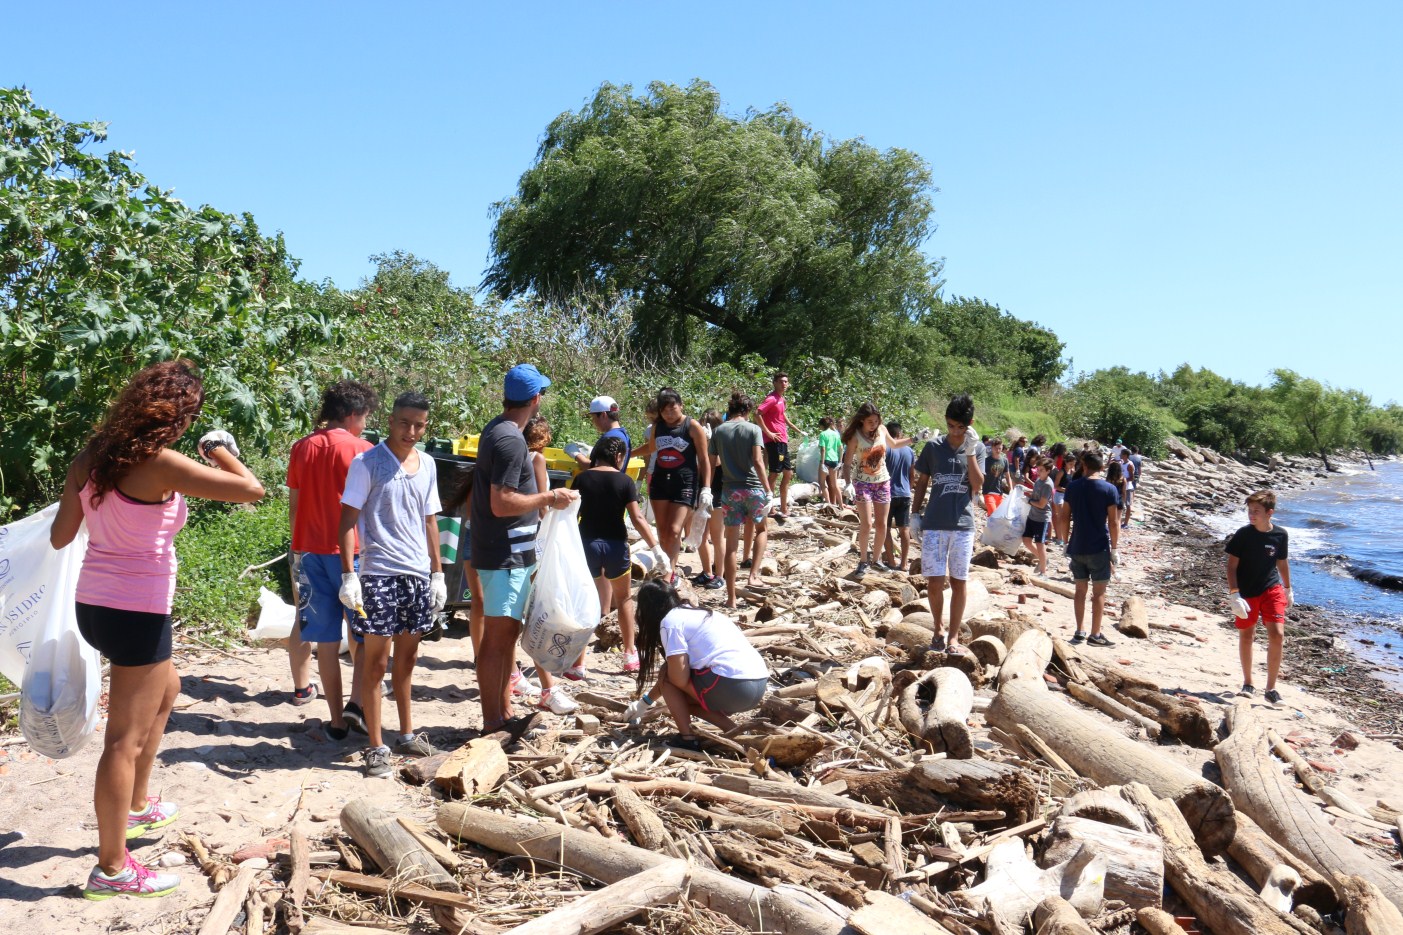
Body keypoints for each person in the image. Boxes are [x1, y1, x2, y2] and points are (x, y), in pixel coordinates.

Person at [50, 360, 265, 899]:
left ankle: (139, 806)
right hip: (138, 613)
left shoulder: (89, 461)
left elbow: (59, 538)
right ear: (178, 418)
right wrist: (218, 447)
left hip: (94, 605)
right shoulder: (165, 464)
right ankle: (113, 868)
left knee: (168, 688)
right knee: (122, 740)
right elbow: (251, 489)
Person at [337, 392, 446, 777]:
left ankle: (406, 733)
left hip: (416, 575)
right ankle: (376, 746)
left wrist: (437, 573)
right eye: (404, 423)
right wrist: (350, 575)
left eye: (418, 425)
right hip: (379, 572)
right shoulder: (367, 463)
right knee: (375, 661)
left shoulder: (429, 464)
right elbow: (347, 521)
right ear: (390, 420)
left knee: (408, 660)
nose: (411, 431)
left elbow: (430, 520)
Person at [468, 365, 580, 732]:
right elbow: (501, 502)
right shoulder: (511, 440)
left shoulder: (498, 430)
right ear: (535, 399)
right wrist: (550, 496)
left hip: (504, 551)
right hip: (505, 555)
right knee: (497, 640)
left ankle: (503, 713)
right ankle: (491, 721)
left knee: (505, 638)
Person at [286, 380, 377, 739]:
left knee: (325, 640)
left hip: (308, 551)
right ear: (353, 414)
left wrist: (296, 548)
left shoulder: (302, 447)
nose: (366, 424)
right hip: (351, 555)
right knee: (364, 634)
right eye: (366, 417)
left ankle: (336, 721)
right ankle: (357, 704)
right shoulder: (364, 450)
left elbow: (294, 505)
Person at [624, 581, 769, 750]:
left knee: (670, 679)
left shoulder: (670, 622)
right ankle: (734, 730)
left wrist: (646, 703)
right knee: (677, 689)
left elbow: (673, 679)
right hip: (758, 684)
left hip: (733, 686)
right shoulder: (701, 612)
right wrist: (645, 702)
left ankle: (687, 739)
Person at [573, 434, 669, 676]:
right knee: (624, 599)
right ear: (618, 456)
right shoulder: (625, 482)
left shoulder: (582, 478)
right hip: (616, 545)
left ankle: (578, 664)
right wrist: (657, 550)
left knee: (587, 601)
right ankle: (629, 654)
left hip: (587, 544)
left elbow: (570, 515)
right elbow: (637, 519)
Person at [911, 394, 983, 653]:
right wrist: (914, 514)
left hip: (963, 524)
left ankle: (953, 635)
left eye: (960, 427)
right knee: (933, 580)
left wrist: (971, 451)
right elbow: (922, 482)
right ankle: (937, 628)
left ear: (969, 424)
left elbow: (977, 485)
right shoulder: (933, 447)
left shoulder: (977, 447)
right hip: (934, 522)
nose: (954, 432)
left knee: (959, 580)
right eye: (951, 426)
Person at [519, 417, 579, 707]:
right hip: (532, 534)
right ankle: (547, 686)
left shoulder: (516, 453)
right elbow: (544, 501)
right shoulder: (537, 458)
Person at [632, 388, 711, 577]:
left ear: (680, 405)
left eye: (672, 408)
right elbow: (651, 448)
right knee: (663, 531)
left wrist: (706, 487)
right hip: (660, 481)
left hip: (685, 482)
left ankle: (670, 573)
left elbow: (704, 458)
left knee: (675, 530)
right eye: (664, 410)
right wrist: (627, 454)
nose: (669, 413)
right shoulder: (658, 427)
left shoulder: (692, 426)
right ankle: (665, 567)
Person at [1226, 490, 1293, 703]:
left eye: (1256, 511)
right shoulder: (1243, 534)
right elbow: (1231, 566)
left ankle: (1271, 689)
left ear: (1269, 513)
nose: (1251, 515)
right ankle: (1248, 682)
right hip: (1246, 591)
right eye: (1249, 510)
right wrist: (1235, 594)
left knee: (1277, 634)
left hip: (1271, 588)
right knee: (1247, 636)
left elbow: (1281, 562)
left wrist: (1288, 588)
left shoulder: (1280, 535)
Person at [710, 392, 774, 608]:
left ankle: (731, 598)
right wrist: (768, 489)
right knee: (762, 529)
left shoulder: (719, 431)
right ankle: (753, 575)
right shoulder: (754, 429)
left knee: (731, 546)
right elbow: (757, 461)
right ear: (747, 410)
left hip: (730, 491)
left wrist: (707, 489)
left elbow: (711, 464)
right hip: (754, 488)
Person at [840, 403, 913, 576]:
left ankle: (876, 560)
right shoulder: (856, 437)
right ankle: (863, 561)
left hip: (882, 481)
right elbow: (847, 463)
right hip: (862, 483)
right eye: (870, 421)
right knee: (867, 523)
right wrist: (848, 483)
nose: (873, 424)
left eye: (876, 420)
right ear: (862, 421)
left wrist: (914, 439)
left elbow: (894, 444)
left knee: (882, 524)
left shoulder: (882, 429)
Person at [1064, 450, 1120, 647]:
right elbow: (1113, 522)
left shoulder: (1073, 487)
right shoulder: (1109, 489)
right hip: (1099, 547)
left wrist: (1064, 541)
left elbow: (1064, 516)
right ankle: (1095, 635)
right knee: (1099, 593)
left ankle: (1079, 631)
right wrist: (1114, 548)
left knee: (1080, 590)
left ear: (1084, 466)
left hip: (1077, 544)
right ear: (1102, 467)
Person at [757, 372, 803, 520]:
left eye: (786, 381)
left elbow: (783, 417)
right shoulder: (771, 398)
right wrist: (768, 433)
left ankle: (784, 508)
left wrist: (797, 429)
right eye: (781, 381)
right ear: (775, 383)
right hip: (774, 441)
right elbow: (757, 414)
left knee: (788, 473)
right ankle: (769, 507)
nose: (784, 384)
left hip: (783, 440)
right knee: (774, 473)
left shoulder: (781, 399)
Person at [692, 409, 727, 590]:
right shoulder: (698, 441)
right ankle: (707, 571)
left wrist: (709, 442)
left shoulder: (721, 442)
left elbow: (716, 462)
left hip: (718, 494)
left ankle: (720, 575)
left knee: (716, 535)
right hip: (702, 492)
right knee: (700, 535)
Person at [882, 421, 916, 573]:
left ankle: (890, 561)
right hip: (904, 494)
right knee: (904, 530)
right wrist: (909, 488)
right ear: (900, 435)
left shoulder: (887, 450)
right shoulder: (909, 451)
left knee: (885, 529)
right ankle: (903, 564)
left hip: (887, 494)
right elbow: (912, 475)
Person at [571, 395, 631, 468]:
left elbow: (599, 469)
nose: (593, 422)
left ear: (603, 415)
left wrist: (576, 455)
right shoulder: (623, 435)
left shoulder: (610, 438)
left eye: (593, 417)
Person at [1020, 457, 1055, 576]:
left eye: (1041, 470)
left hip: (1041, 518)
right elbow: (1036, 494)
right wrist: (1025, 490)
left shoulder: (1047, 485)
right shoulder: (1039, 481)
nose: (1038, 472)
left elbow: (1041, 504)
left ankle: (1043, 572)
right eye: (1038, 469)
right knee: (1026, 540)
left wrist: (1029, 501)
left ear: (1048, 471)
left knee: (1040, 544)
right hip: (1032, 515)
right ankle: (1043, 560)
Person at [817, 416, 843, 506]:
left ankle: (828, 504)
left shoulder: (822, 434)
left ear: (822, 426)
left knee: (822, 483)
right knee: (835, 485)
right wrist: (840, 461)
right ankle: (841, 505)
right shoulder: (836, 434)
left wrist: (823, 463)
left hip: (826, 460)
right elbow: (841, 448)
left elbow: (823, 449)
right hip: (835, 460)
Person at [981, 438, 1011, 515]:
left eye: (1000, 448)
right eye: (996, 448)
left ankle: (989, 526)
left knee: (998, 516)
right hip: (988, 492)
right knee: (993, 514)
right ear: (992, 448)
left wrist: (1011, 489)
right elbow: (981, 475)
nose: (998, 450)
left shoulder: (1004, 460)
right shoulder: (986, 461)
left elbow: (1008, 476)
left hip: (999, 492)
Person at [1118, 449, 1137, 528]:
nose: (1120, 455)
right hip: (1121, 486)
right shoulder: (1122, 462)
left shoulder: (1130, 465)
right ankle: (1119, 521)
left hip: (1128, 487)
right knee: (1120, 503)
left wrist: (1123, 480)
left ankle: (1126, 523)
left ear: (1125, 455)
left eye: (1121, 454)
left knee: (1128, 504)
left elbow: (1132, 478)